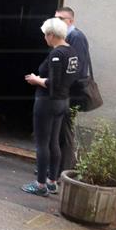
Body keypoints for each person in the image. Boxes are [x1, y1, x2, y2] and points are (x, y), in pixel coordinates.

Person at [22, 17, 80, 196]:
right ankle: (52, 182)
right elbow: (69, 80)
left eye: (45, 35)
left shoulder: (57, 54)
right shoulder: (72, 52)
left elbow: (54, 83)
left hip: (47, 102)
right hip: (62, 102)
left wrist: (36, 80)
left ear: (51, 35)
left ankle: (40, 185)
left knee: (42, 144)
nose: (44, 38)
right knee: (54, 142)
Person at [55, 6, 92, 175]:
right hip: (62, 92)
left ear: (70, 21)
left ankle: (64, 169)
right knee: (58, 129)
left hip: (70, 93)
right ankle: (56, 166)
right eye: (56, 18)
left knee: (65, 130)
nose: (57, 21)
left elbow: (77, 67)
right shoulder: (64, 37)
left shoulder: (76, 37)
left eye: (61, 19)